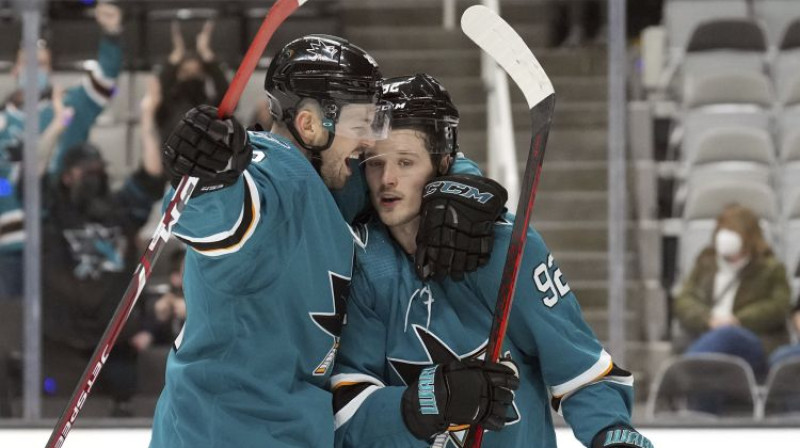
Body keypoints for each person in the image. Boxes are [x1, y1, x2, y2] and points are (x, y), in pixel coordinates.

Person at [149, 35, 501, 447]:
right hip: (221, 434)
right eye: (360, 125)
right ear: (311, 125)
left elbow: (414, 156)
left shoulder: (332, 185)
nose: (369, 142)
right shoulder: (274, 174)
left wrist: (460, 180)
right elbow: (219, 218)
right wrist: (206, 178)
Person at [332, 74, 651, 448]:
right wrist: (424, 404)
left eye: (406, 162)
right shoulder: (365, 258)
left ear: (444, 161)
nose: (388, 179)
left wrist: (612, 433)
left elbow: (580, 371)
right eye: (375, 163)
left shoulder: (504, 247)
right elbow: (348, 411)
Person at [0, 2, 123, 299]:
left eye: (40, 64)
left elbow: (105, 80)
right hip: (9, 244)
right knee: (12, 330)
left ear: (51, 71)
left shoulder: (69, 109)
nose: (33, 70)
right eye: (27, 63)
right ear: (16, 68)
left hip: (59, 237)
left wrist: (112, 34)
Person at [675, 204, 791, 381]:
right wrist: (709, 320)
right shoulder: (706, 263)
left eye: (732, 230)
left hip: (753, 341)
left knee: (728, 334)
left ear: (748, 236)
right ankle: (696, 391)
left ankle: (686, 372)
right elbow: (684, 300)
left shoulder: (770, 268)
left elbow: (779, 306)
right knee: (710, 368)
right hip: (708, 336)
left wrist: (738, 320)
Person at [154, 20, 230, 144]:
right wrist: (176, 54)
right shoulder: (166, 108)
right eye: (186, 72)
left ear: (204, 75)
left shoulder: (211, 108)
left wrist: (206, 54)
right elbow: (158, 91)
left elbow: (228, 97)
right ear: (176, 75)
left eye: (196, 72)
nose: (191, 75)